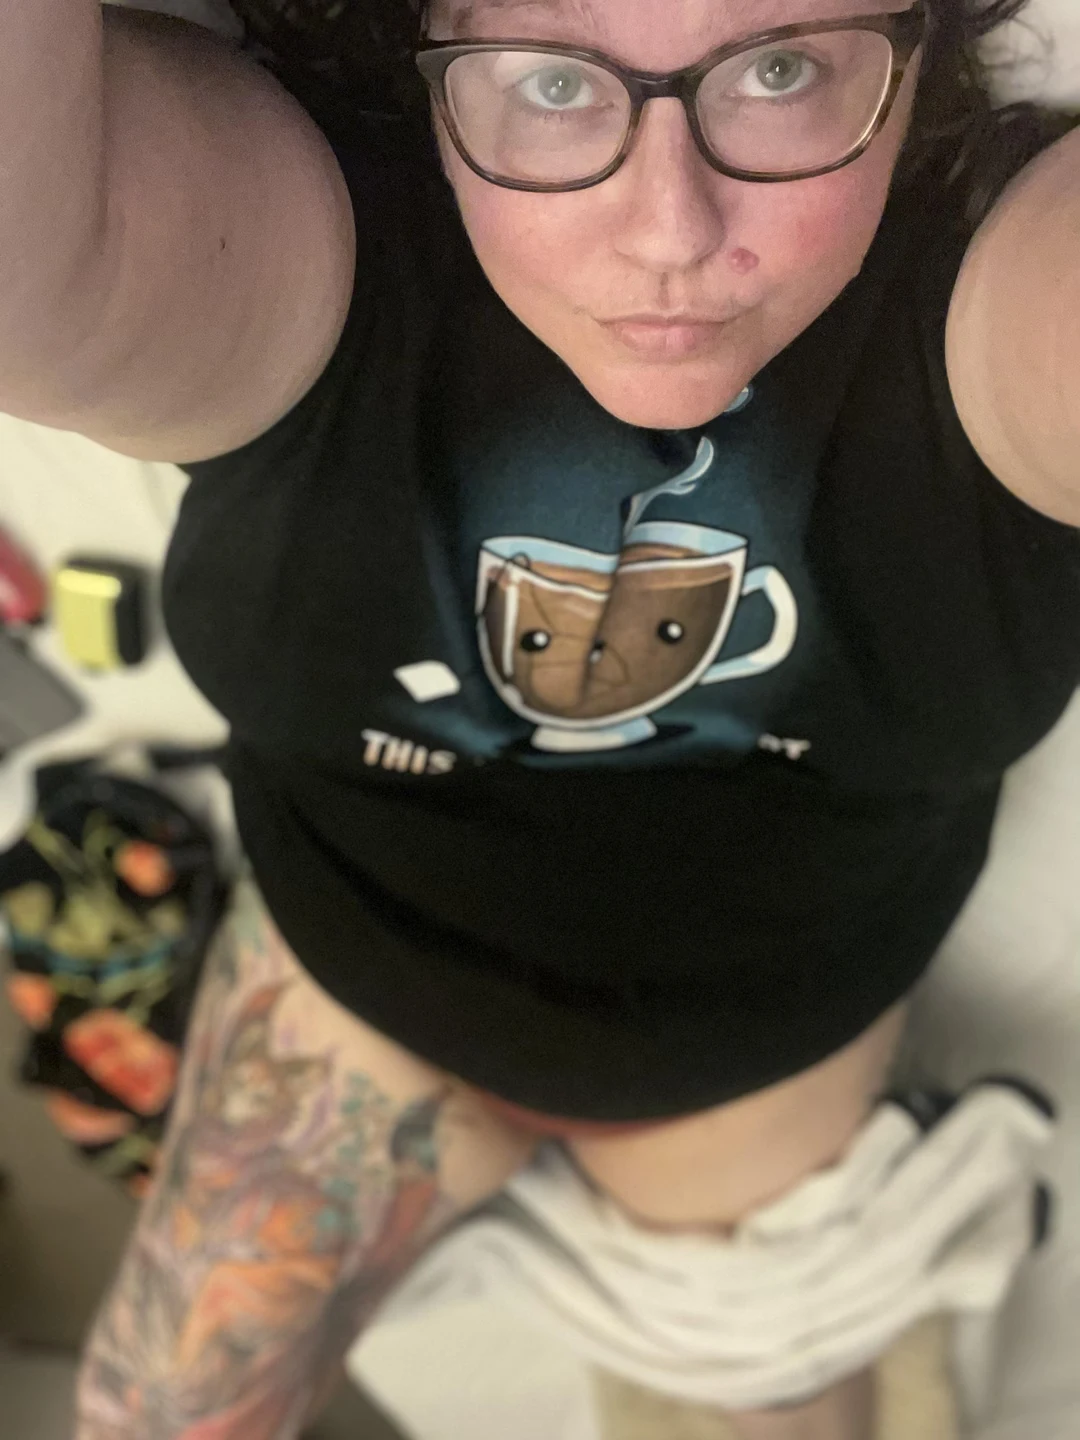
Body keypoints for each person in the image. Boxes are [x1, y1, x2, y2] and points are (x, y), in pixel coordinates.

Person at [0, 1, 1077, 1436]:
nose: (670, 231)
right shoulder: (302, 245)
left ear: (922, 42)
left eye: (780, 70)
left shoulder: (1002, 289)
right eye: (554, 83)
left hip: (758, 1072)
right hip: (351, 989)